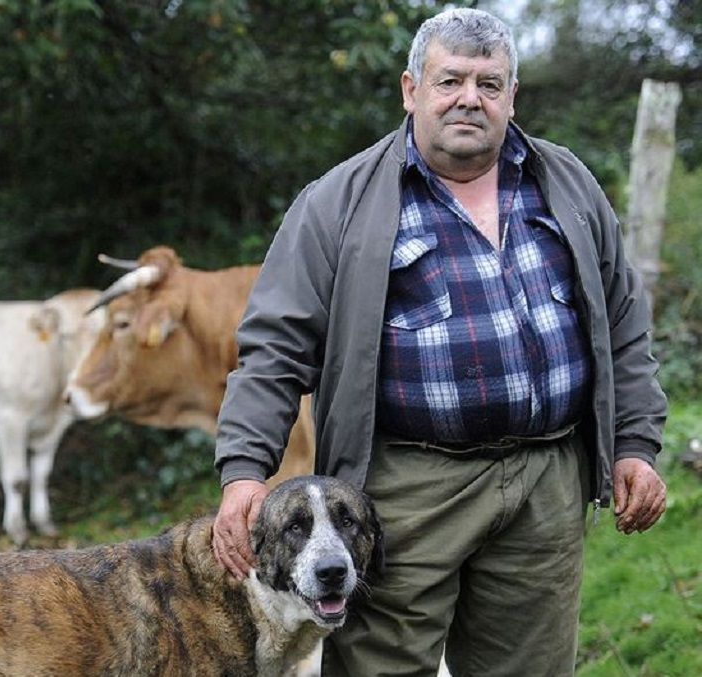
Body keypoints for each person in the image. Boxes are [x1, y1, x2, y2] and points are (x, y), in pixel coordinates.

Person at [210, 7, 668, 676]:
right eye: (450, 79)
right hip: (406, 484)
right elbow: (275, 347)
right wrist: (245, 469)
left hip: (547, 477)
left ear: (513, 96)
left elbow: (623, 323)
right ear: (410, 89)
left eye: (489, 83)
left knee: (531, 667)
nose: (469, 99)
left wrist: (635, 443)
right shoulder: (337, 203)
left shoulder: (565, 183)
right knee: (382, 665)